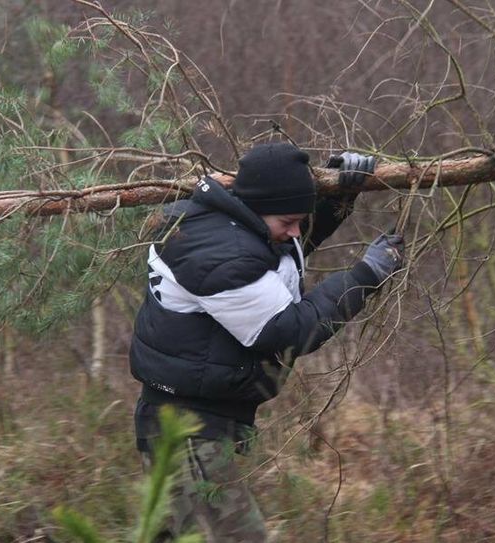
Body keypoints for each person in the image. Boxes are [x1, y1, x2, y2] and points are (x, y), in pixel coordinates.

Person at [129, 142, 404, 541]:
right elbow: (288, 330)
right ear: (255, 211)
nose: (295, 231)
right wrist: (365, 274)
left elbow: (280, 247)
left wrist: (339, 195)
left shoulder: (231, 227)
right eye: (289, 219)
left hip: (192, 418)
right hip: (185, 428)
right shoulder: (215, 255)